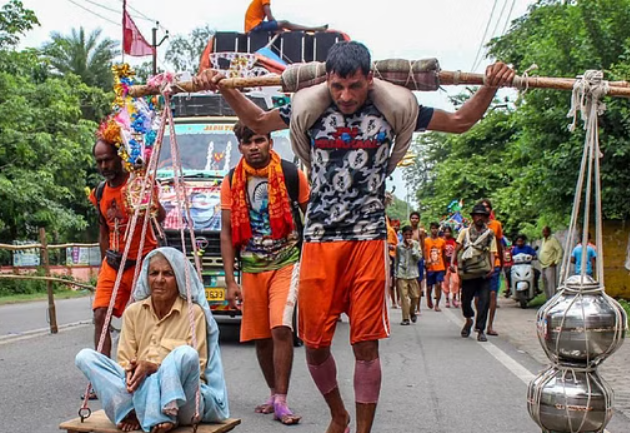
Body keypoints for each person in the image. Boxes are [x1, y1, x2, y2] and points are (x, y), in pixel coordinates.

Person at [196, 41, 515, 433]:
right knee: (314, 347)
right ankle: (338, 414)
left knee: (365, 345)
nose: (345, 97)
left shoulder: (393, 111)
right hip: (317, 239)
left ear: (369, 80)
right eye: (337, 87)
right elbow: (259, 122)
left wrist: (491, 85)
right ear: (328, 82)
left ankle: (360, 430)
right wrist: (223, 87)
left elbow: (462, 120)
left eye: (354, 87)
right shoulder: (310, 111)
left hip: (367, 238)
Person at [75, 247, 230, 433]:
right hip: (139, 392)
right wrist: (134, 371)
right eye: (154, 273)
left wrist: (153, 367)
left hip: (184, 402)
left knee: (186, 353)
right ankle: (136, 411)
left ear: (179, 278)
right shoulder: (133, 312)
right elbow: (124, 362)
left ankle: (164, 413)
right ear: (146, 278)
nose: (159, 280)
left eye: (168, 274)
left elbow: (199, 366)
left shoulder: (193, 313)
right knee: (85, 357)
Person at [219, 122, 309, 425]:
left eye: (259, 140)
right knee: (260, 336)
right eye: (248, 143)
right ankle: (273, 393)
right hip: (251, 268)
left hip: (286, 261)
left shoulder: (292, 174)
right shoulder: (231, 180)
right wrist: (231, 281)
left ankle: (282, 400)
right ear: (240, 147)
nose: (254, 147)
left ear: (270, 142)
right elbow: (227, 231)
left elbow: (313, 218)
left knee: (280, 328)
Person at [90, 126, 166, 364]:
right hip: (113, 265)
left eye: (108, 160)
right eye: (99, 161)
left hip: (141, 264)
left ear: (120, 157)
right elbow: (103, 228)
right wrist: (105, 262)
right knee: (101, 314)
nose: (104, 166)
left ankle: (137, 369)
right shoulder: (100, 192)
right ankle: (103, 373)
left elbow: (159, 217)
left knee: (140, 319)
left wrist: (150, 203)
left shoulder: (140, 184)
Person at [452, 204, 497, 342]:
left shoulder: (489, 234)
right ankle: (468, 319)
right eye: (477, 215)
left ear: (485, 218)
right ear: (473, 217)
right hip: (468, 272)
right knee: (466, 300)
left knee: (484, 301)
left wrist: (492, 267)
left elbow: (492, 251)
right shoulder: (465, 232)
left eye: (482, 216)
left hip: (483, 272)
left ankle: (481, 329)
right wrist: (452, 263)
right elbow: (457, 248)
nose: (479, 218)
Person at [480, 199, 504, 337]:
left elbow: (499, 244)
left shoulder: (496, 225)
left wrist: (501, 262)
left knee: (493, 294)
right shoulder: (475, 225)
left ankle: (490, 325)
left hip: (494, 263)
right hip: (480, 265)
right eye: (483, 208)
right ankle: (480, 321)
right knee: (478, 298)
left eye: (488, 207)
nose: (486, 210)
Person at [244, 0, 328, 34]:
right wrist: (278, 27)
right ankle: (313, 29)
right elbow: (270, 18)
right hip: (255, 26)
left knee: (283, 26)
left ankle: (312, 29)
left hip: (254, 26)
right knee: (285, 23)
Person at [396, 226, 422, 325]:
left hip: (412, 273)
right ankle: (405, 318)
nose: (407, 237)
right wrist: (396, 274)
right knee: (404, 297)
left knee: (415, 296)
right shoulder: (399, 246)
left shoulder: (416, 245)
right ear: (402, 235)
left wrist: (412, 249)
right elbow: (397, 261)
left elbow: (419, 258)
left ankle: (412, 311)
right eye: (405, 235)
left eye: (409, 235)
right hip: (402, 273)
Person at [424, 222, 446, 312]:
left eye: (436, 228)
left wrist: (445, 267)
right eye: (433, 228)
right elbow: (424, 252)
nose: (434, 230)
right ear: (430, 229)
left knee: (438, 284)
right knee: (429, 287)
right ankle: (429, 298)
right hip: (430, 267)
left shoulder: (442, 241)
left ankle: (437, 304)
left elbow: (444, 254)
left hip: (440, 266)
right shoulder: (426, 241)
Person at [538, 226, 563, 298]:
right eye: (543, 231)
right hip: (543, 265)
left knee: (551, 285)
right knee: (545, 284)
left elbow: (560, 250)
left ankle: (553, 301)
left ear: (549, 232)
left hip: (550, 265)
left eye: (545, 231)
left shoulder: (553, 240)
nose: (544, 233)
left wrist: (556, 261)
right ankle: (548, 300)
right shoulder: (543, 240)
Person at [409, 212, 426, 313]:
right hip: (409, 260)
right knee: (410, 283)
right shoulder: (407, 231)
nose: (414, 220)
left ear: (419, 219)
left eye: (416, 218)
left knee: (418, 283)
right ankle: (411, 305)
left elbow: (423, 246)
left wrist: (425, 260)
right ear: (410, 219)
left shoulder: (421, 232)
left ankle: (418, 307)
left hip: (418, 259)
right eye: (412, 218)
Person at [441, 226, 460, 308]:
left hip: (454, 264)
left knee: (456, 281)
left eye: (448, 232)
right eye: (445, 232)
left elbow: (457, 251)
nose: (447, 233)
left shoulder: (454, 241)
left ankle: (454, 297)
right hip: (445, 264)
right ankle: (447, 298)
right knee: (445, 282)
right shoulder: (442, 241)